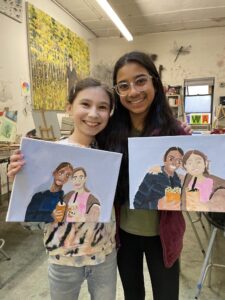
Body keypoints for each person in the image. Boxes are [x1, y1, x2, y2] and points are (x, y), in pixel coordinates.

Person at [7, 77, 117, 300]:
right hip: (62, 257)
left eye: (102, 107)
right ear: (69, 108)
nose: (93, 114)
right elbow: (29, 221)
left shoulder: (111, 155)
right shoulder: (48, 156)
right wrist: (20, 180)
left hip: (104, 256)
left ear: (110, 113)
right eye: (85, 104)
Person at [97, 51, 188, 300]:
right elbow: (78, 154)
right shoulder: (108, 133)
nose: (133, 91)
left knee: (167, 295)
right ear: (117, 92)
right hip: (124, 233)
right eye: (123, 86)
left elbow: (193, 179)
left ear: (155, 83)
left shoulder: (176, 132)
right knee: (132, 294)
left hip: (164, 234)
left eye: (140, 81)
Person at [133, 146, 184, 211]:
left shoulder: (177, 179)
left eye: (178, 161)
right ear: (164, 159)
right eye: (171, 159)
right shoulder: (152, 175)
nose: (174, 163)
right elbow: (137, 204)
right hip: (153, 216)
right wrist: (157, 205)